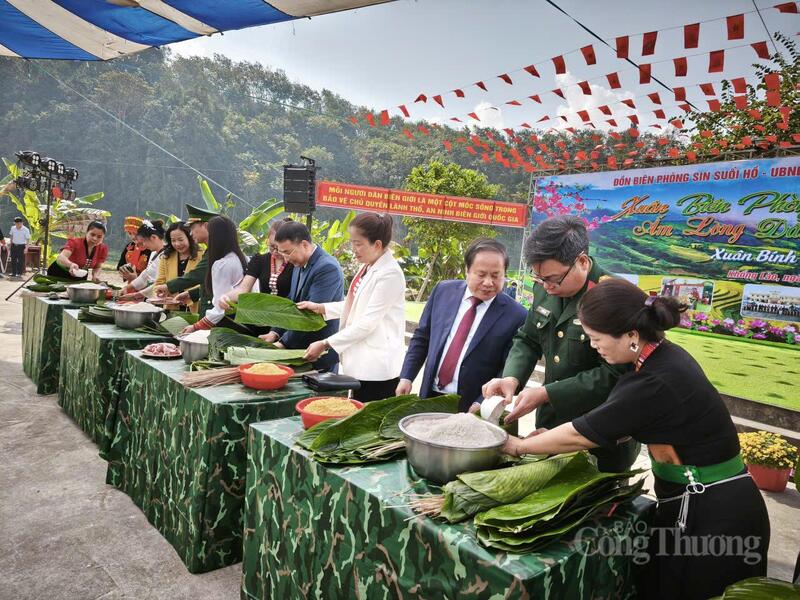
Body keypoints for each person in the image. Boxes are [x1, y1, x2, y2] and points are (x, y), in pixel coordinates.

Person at [500, 278, 770, 600]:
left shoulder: (655, 380)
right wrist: (547, 438)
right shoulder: (658, 359)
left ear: (631, 335)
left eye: (596, 338)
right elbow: (617, 422)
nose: (593, 346)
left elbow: (578, 434)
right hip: (696, 501)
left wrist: (518, 446)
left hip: (715, 516)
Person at [482, 216, 639, 472]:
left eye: (554, 279)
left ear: (583, 261)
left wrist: (547, 393)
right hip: (550, 426)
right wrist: (511, 378)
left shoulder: (615, 297)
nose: (547, 287)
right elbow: (528, 338)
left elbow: (618, 373)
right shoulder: (545, 287)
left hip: (601, 435)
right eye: (540, 278)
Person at [397, 238, 527, 412]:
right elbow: (422, 337)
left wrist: (482, 402)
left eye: (496, 276)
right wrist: (407, 377)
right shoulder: (443, 291)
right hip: (429, 396)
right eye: (481, 274)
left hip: (472, 405)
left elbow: (508, 366)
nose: (488, 282)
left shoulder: (516, 315)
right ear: (467, 270)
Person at [298, 213, 406, 402]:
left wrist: (325, 343)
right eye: (352, 243)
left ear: (377, 245)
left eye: (358, 244)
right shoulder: (368, 265)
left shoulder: (390, 274)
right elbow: (357, 305)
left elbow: (367, 322)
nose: (353, 249)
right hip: (361, 361)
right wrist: (322, 308)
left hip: (377, 367)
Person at [261, 221, 344, 372]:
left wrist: (283, 343)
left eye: (287, 252)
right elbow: (292, 304)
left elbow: (309, 316)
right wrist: (275, 333)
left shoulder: (327, 268)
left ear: (304, 245)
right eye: (282, 253)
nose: (285, 259)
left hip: (319, 354)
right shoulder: (300, 263)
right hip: (300, 351)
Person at [181, 215, 247, 333]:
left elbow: (220, 307)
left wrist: (196, 327)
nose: (191, 234)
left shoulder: (222, 264)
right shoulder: (241, 258)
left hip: (227, 325)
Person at [153, 204, 217, 317]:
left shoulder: (210, 252)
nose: (192, 233)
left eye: (193, 228)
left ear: (206, 226)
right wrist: (190, 294)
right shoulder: (166, 256)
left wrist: (169, 287)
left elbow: (197, 276)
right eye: (173, 240)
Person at [219, 217, 294, 309]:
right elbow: (243, 289)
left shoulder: (295, 262)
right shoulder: (260, 260)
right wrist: (226, 297)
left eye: (279, 248)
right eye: (271, 246)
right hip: (263, 314)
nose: (275, 251)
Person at [119, 220, 166, 298]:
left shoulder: (166, 255)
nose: (143, 245)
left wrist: (135, 295)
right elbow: (145, 275)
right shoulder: (154, 253)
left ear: (153, 237)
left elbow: (159, 283)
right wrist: (127, 287)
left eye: (144, 241)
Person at [116, 216, 150, 283]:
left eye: (136, 234)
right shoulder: (129, 247)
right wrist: (124, 269)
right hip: (130, 284)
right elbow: (120, 266)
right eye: (129, 233)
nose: (133, 237)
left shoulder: (150, 249)